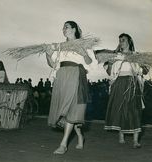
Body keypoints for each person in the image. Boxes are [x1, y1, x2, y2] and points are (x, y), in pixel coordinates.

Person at [46, 21, 93, 154]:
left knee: (72, 108)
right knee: (65, 110)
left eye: (66, 26)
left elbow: (90, 63)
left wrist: (84, 53)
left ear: (74, 29)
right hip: (62, 76)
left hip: (76, 76)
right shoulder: (60, 46)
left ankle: (63, 144)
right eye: (63, 27)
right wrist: (48, 55)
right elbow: (53, 65)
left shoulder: (84, 44)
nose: (63, 29)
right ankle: (79, 136)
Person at [104, 33, 148, 148]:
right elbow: (109, 72)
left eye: (123, 40)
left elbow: (145, 71)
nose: (121, 42)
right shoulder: (116, 56)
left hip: (132, 83)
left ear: (129, 41)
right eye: (119, 40)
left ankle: (135, 140)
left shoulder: (135, 55)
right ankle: (121, 134)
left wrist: (142, 65)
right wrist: (110, 64)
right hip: (119, 83)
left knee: (134, 109)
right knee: (120, 108)